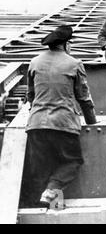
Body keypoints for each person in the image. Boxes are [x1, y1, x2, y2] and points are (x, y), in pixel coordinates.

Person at [22, 25, 97, 207]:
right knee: (72, 160)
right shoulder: (74, 64)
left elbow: (30, 95)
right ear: (66, 44)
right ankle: (52, 189)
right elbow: (84, 97)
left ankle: (38, 206)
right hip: (64, 124)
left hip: (36, 125)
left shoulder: (34, 62)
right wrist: (91, 121)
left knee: (39, 168)